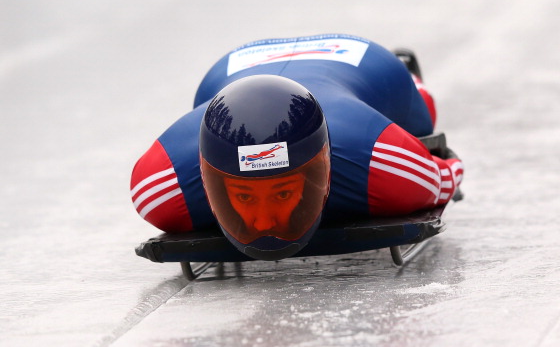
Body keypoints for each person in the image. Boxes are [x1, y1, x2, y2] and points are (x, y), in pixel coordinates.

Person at [130, 34, 464, 260]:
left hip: (367, 65)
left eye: (282, 193)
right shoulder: (161, 186)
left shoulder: (383, 162)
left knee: (421, 117)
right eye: (244, 195)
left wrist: (427, 165)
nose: (264, 224)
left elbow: (445, 173)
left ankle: (412, 79)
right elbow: (449, 172)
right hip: (230, 70)